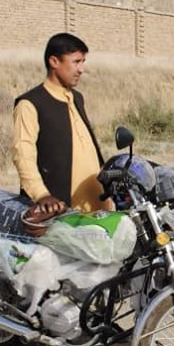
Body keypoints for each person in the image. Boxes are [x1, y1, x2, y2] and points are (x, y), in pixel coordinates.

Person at [12, 33, 107, 216]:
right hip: (60, 211)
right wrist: (42, 195)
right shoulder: (30, 104)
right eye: (76, 62)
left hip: (96, 208)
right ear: (54, 62)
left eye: (83, 62)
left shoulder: (76, 98)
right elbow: (23, 154)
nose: (81, 69)